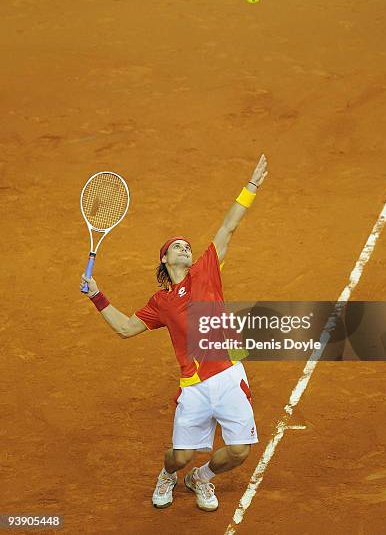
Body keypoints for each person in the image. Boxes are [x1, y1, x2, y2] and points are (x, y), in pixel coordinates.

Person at [80, 154, 268, 512]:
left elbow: (228, 228)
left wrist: (251, 187)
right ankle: (168, 476)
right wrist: (96, 295)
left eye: (187, 245)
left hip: (228, 372)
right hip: (194, 385)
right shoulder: (161, 302)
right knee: (179, 456)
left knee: (240, 451)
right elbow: (124, 328)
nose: (185, 247)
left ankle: (203, 478)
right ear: (165, 260)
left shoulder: (206, 272)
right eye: (176, 247)